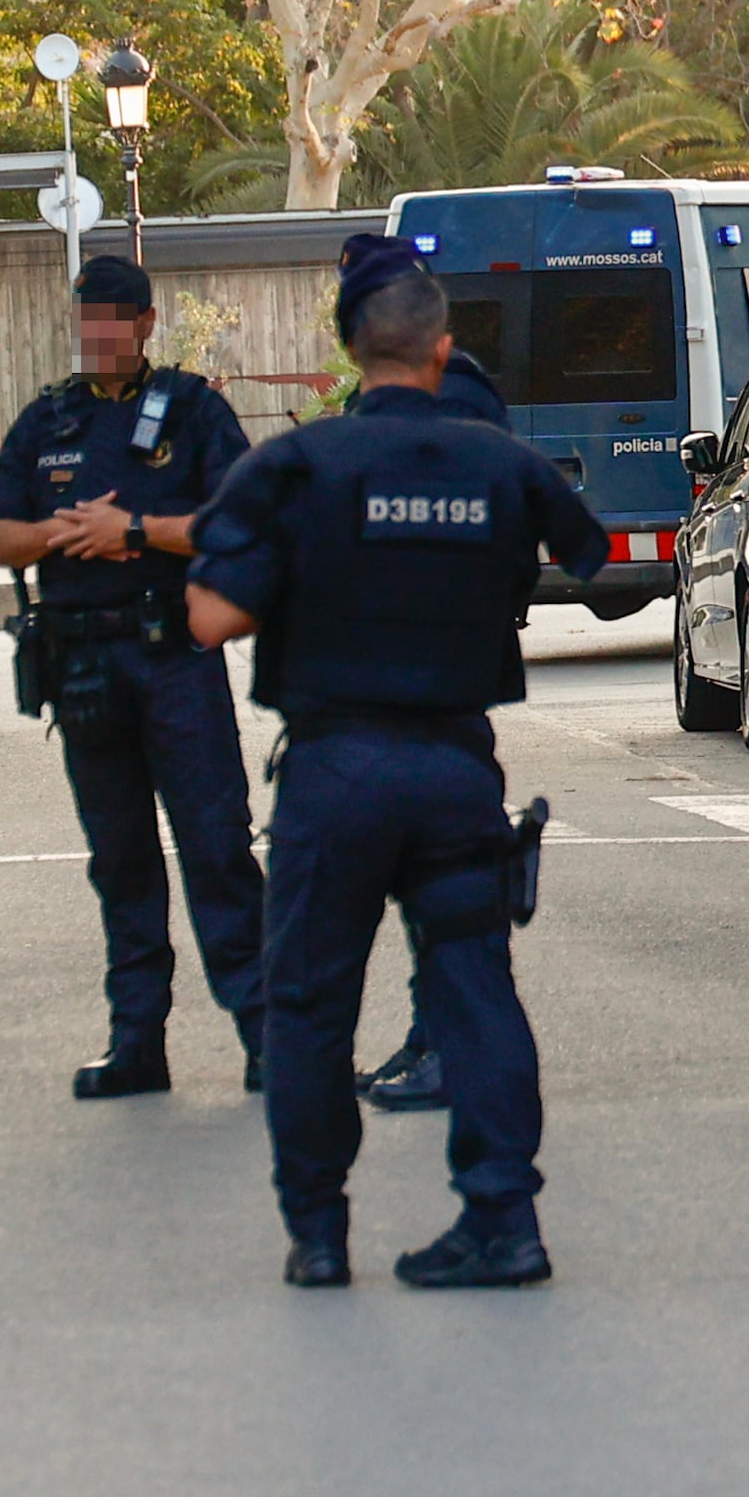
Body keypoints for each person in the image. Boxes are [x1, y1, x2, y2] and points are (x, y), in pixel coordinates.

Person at [185, 235, 612, 1288]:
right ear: (444, 350)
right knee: (474, 992)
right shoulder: (501, 462)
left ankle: (319, 1235)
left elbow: (210, 617)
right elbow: (595, 563)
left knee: (311, 1002)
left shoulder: (293, 465)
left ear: (348, 349)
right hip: (458, 769)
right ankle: (504, 1222)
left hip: (334, 771)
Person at [0, 254, 265, 1100]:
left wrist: (134, 530)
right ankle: (136, 1043)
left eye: (113, 321)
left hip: (172, 656)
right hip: (83, 664)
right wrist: (63, 536)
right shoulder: (50, 418)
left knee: (215, 847)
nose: (98, 336)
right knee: (121, 860)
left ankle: (266, 1035)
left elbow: (242, 519)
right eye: (86, 321)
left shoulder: (193, 409)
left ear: (144, 323)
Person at [354, 336, 521, 1119]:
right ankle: (433, 1038)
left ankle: (452, 1047)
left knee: (449, 879)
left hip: (436, 671)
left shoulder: (451, 398)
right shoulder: (406, 395)